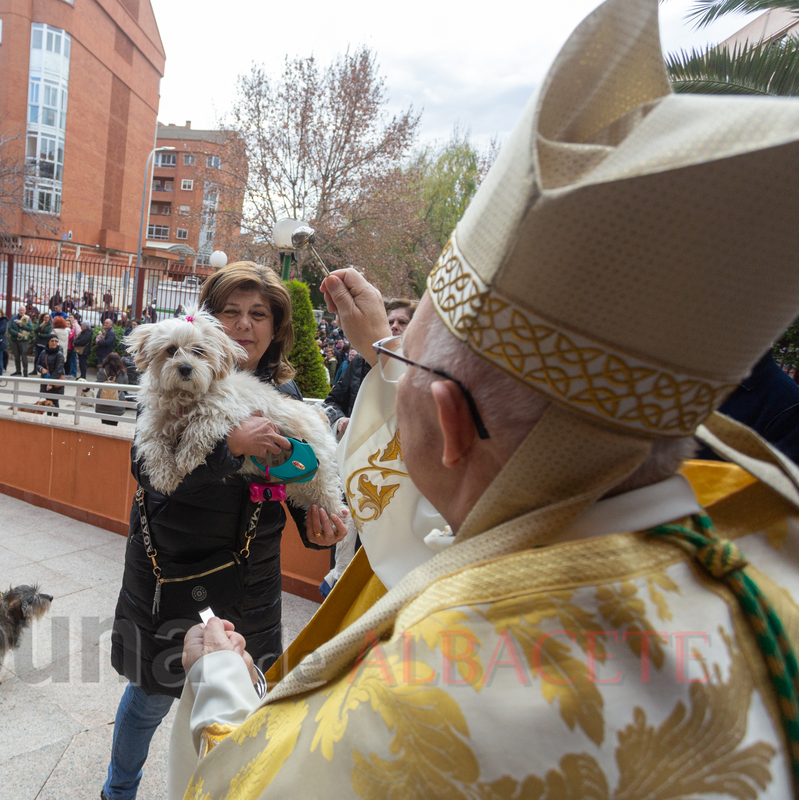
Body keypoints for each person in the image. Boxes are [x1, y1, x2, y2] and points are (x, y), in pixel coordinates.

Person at [171, 2, 799, 796]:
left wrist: (222, 674)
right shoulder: (756, 535)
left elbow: (244, 781)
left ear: (451, 422)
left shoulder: (427, 700)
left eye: (400, 358)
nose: (244, 325)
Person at [103, 261, 345, 800]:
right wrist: (229, 447)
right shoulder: (165, 390)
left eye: (258, 314)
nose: (244, 325)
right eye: (230, 312)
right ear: (207, 322)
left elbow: (295, 476)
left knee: (239, 693)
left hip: (248, 579)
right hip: (171, 570)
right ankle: (118, 792)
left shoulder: (285, 391)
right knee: (150, 697)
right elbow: (149, 472)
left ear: (276, 326)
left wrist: (317, 529)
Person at [323, 298, 415, 440]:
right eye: (390, 322)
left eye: (402, 322)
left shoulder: (423, 367)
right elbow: (330, 403)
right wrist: (340, 421)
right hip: (360, 451)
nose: (394, 327)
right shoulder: (360, 361)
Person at [94, 352, 128, 425]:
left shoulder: (101, 371)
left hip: (103, 402)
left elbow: (98, 381)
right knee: (114, 426)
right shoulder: (122, 373)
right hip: (117, 403)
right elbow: (125, 385)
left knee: (104, 424)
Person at [36, 333, 66, 413]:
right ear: (48, 342)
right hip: (46, 381)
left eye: (56, 341)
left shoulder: (59, 354)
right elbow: (37, 364)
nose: (54, 343)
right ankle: (48, 420)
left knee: (55, 402)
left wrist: (51, 383)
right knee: (47, 402)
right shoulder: (43, 352)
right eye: (52, 341)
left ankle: (55, 421)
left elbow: (59, 370)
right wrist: (41, 369)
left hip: (55, 382)